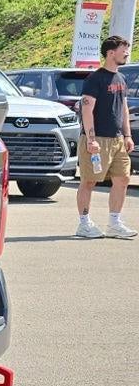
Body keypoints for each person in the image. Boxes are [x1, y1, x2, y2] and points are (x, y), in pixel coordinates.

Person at [76, 35, 136, 239]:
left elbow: (124, 109)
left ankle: (114, 223)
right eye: (123, 50)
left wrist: (127, 135)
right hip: (97, 139)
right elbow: (87, 110)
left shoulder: (121, 78)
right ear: (111, 53)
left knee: (123, 179)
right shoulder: (95, 79)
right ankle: (84, 224)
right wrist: (91, 139)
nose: (127, 53)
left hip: (118, 139)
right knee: (89, 181)